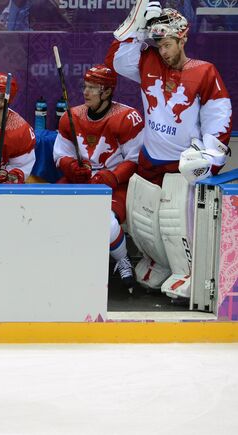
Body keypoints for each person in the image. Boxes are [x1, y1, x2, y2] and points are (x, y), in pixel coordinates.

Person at [104, 3, 232, 297]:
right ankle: (157, 263)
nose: (162, 51)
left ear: (183, 39)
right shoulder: (148, 62)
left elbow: (219, 114)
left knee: (176, 222)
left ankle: (185, 272)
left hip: (181, 165)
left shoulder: (204, 72)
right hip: (150, 160)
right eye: (158, 44)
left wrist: (210, 156)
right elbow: (117, 61)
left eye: (167, 44)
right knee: (144, 220)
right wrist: (137, 27)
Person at [53, 65, 144, 292]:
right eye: (86, 86)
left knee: (105, 222)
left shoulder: (127, 117)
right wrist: (70, 166)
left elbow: (135, 160)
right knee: (49, 212)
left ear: (107, 92)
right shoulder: (71, 117)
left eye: (93, 88)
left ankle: (122, 259)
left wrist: (112, 176)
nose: (86, 92)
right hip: (79, 182)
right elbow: (60, 154)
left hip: (114, 186)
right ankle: (60, 263)